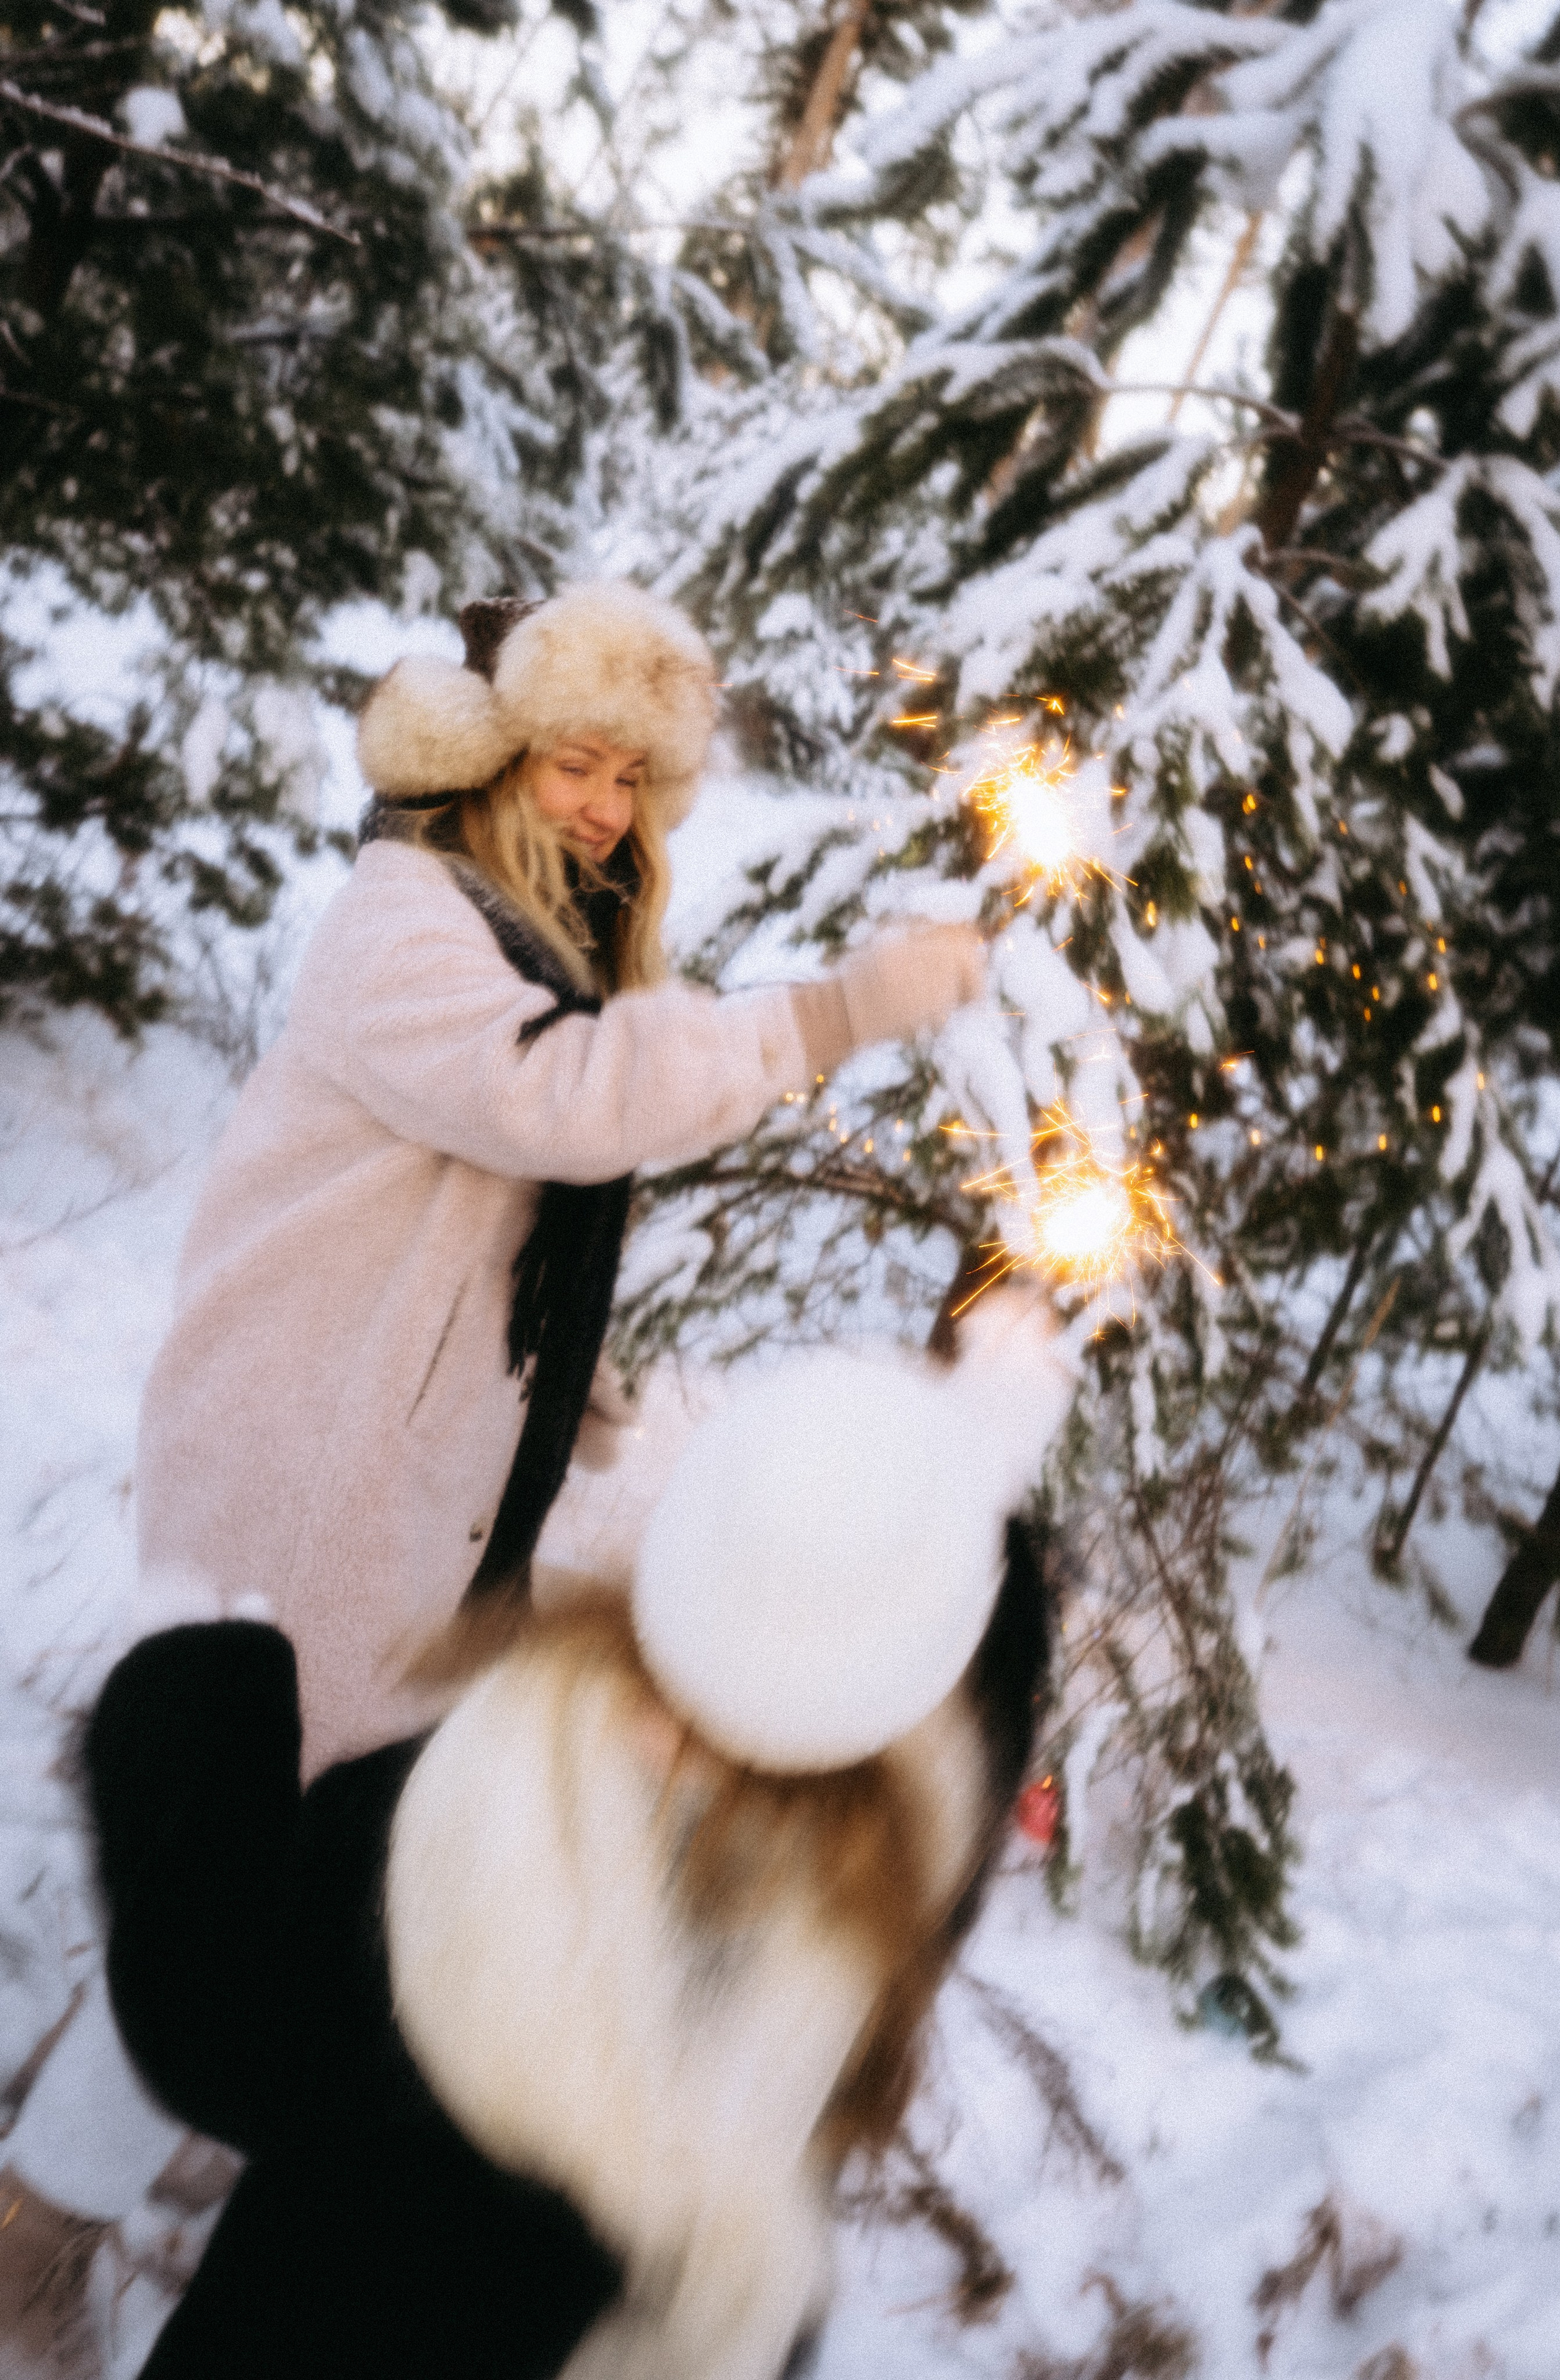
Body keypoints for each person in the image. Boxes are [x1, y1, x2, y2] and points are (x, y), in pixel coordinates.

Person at [134, 580, 986, 1781]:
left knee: (350, 1793)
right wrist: (832, 1013)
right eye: (574, 765)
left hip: (396, 1432)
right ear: (495, 760)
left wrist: (553, 1362)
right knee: (258, 1794)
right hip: (308, 1438)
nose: (603, 808)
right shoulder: (407, 914)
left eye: (633, 778)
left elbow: (495, 1196)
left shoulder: (536, 935)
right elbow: (553, 1098)